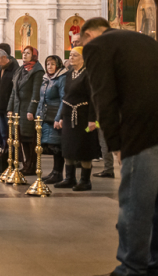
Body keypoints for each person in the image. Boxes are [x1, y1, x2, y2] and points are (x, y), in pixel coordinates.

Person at [81, 17, 158, 276]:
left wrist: (115, 144)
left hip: (145, 128)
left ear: (89, 34)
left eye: (80, 40)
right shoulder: (144, 39)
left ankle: (131, 269)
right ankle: (156, 268)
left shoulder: (97, 46)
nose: (80, 46)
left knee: (136, 203)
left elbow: (103, 96)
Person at [53, 47, 96, 191]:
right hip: (69, 116)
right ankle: (69, 178)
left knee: (84, 148)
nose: (71, 58)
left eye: (75, 55)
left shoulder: (89, 74)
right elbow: (66, 96)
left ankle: (85, 180)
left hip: (84, 118)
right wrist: (61, 117)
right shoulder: (70, 73)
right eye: (70, 55)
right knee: (68, 147)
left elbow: (93, 98)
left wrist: (92, 120)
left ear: (83, 58)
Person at [7, 45, 44, 176]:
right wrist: (10, 108)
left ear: (34, 55)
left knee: (30, 139)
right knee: (21, 138)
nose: (24, 55)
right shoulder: (20, 70)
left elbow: (36, 92)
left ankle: (31, 165)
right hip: (18, 110)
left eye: (27, 53)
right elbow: (14, 91)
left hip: (28, 110)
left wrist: (31, 110)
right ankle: (26, 164)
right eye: (23, 53)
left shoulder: (37, 71)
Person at [38, 54, 67, 184]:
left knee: (57, 146)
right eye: (48, 64)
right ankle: (54, 172)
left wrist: (58, 117)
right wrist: (39, 115)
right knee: (52, 145)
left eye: (52, 64)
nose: (50, 67)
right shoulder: (46, 79)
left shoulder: (61, 78)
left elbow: (63, 99)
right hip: (46, 116)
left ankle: (58, 173)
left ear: (58, 65)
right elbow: (42, 99)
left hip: (55, 116)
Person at [0, 45, 18, 150]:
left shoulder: (14, 67)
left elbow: (13, 90)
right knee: (2, 133)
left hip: (9, 107)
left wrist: (10, 107)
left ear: (4, 58)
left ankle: (11, 156)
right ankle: (4, 156)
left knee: (10, 134)